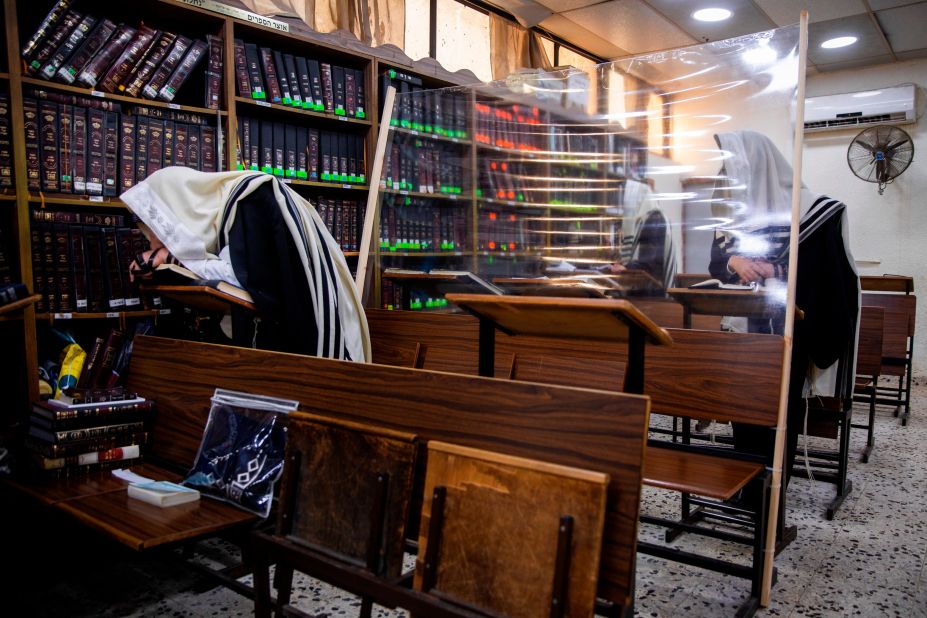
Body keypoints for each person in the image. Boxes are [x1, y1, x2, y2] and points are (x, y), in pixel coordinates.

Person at [707, 130, 860, 499]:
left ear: (757, 165)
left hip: (789, 331)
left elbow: (832, 278)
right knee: (743, 409)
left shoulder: (818, 212)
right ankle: (743, 485)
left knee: (778, 413)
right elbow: (715, 264)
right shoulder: (735, 217)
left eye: (733, 166)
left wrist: (778, 273)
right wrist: (733, 261)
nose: (726, 174)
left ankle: (770, 494)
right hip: (741, 328)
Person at [122, 167, 371, 362]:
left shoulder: (250, 199)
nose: (153, 241)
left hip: (313, 338)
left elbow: (242, 277)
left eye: (156, 226)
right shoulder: (232, 207)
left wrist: (171, 258)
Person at [605, 178, 677, 294]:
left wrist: (628, 268)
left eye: (627, 197)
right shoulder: (640, 219)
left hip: (652, 292)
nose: (625, 203)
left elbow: (650, 261)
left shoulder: (654, 218)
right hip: (641, 288)